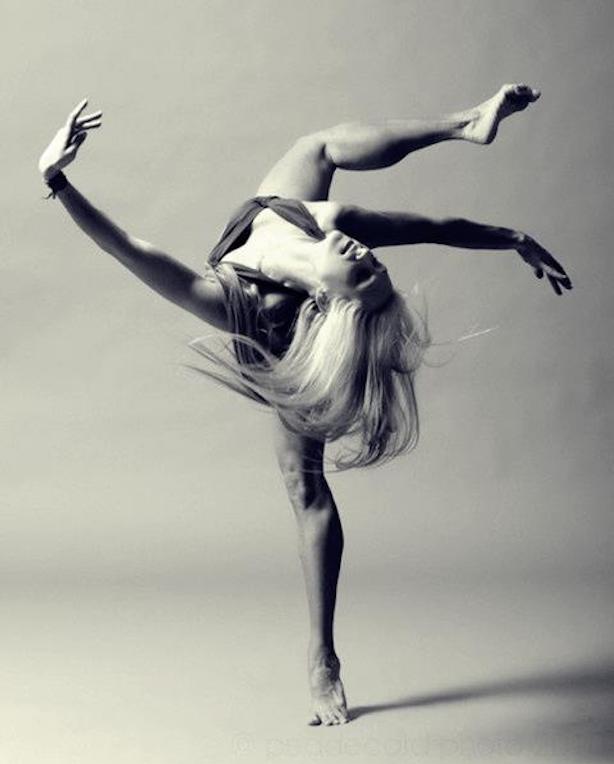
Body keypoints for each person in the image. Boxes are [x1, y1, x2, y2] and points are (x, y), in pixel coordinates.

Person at [38, 84, 572, 726]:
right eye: (377, 266)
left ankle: (323, 660)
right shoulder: (331, 224)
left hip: (279, 335)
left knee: (306, 489)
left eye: (365, 274)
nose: (367, 257)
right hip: (273, 217)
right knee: (316, 146)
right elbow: (433, 228)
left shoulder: (241, 307)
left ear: (332, 302)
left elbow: (127, 248)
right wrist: (514, 236)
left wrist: (56, 181)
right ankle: (467, 123)